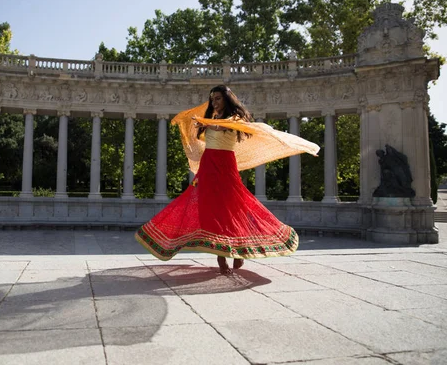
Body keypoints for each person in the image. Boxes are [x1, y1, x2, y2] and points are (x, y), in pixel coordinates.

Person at [135, 85, 320, 274]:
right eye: (212, 99)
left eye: (218, 99)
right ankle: (221, 255)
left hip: (225, 165)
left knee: (234, 207)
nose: (214, 102)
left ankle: (239, 252)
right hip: (208, 164)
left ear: (227, 100)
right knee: (210, 208)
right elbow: (198, 143)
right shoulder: (211, 119)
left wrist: (208, 124)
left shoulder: (235, 119)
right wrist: (193, 127)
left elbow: (228, 126)